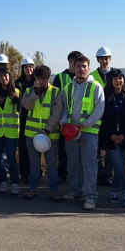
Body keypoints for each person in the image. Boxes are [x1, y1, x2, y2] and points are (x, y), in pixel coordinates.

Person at [60, 55, 105, 210]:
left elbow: (99, 109)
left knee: (89, 164)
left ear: (89, 68)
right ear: (74, 67)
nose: (81, 69)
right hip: (71, 132)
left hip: (89, 132)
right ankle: (77, 191)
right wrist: (63, 122)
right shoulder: (68, 88)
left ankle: (90, 197)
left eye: (84, 66)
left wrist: (85, 124)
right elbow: (65, 109)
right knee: (73, 164)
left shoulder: (96, 87)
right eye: (78, 66)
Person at [21, 65, 63, 201]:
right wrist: (35, 93)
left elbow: (57, 113)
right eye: (38, 79)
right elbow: (26, 106)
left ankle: (55, 191)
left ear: (48, 78)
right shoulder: (29, 91)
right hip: (32, 134)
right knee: (34, 164)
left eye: (43, 79)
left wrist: (47, 130)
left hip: (50, 135)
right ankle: (32, 189)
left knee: (51, 163)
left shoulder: (56, 92)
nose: (41, 82)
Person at [98, 69, 125, 207]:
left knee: (120, 166)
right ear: (110, 81)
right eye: (115, 79)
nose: (118, 81)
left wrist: (123, 135)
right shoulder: (105, 97)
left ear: (123, 80)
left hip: (124, 138)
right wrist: (111, 135)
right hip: (109, 138)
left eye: (120, 78)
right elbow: (103, 119)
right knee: (119, 166)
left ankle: (114, 191)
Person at [0, 66, 21, 197]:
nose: (4, 78)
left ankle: (15, 184)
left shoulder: (17, 92)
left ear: (10, 77)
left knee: (12, 159)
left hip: (12, 132)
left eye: (6, 76)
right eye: (1, 76)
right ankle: (2, 183)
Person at [53, 51, 83, 185]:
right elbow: (57, 100)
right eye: (76, 63)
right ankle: (62, 174)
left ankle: (77, 177)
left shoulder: (84, 78)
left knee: (80, 153)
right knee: (63, 150)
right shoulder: (60, 77)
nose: (78, 67)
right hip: (64, 121)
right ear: (70, 62)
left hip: (80, 122)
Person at [92, 47, 120, 187]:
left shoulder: (116, 74)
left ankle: (108, 175)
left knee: (111, 149)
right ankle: (97, 174)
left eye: (107, 58)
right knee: (95, 149)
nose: (104, 60)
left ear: (110, 58)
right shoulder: (91, 76)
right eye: (102, 58)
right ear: (97, 60)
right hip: (96, 119)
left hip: (111, 118)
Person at [15, 57, 36, 184]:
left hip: (35, 119)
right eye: (26, 67)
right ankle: (24, 174)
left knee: (35, 148)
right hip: (22, 120)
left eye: (31, 66)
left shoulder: (37, 82)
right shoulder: (18, 83)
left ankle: (36, 174)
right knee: (23, 148)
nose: (29, 69)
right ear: (22, 69)